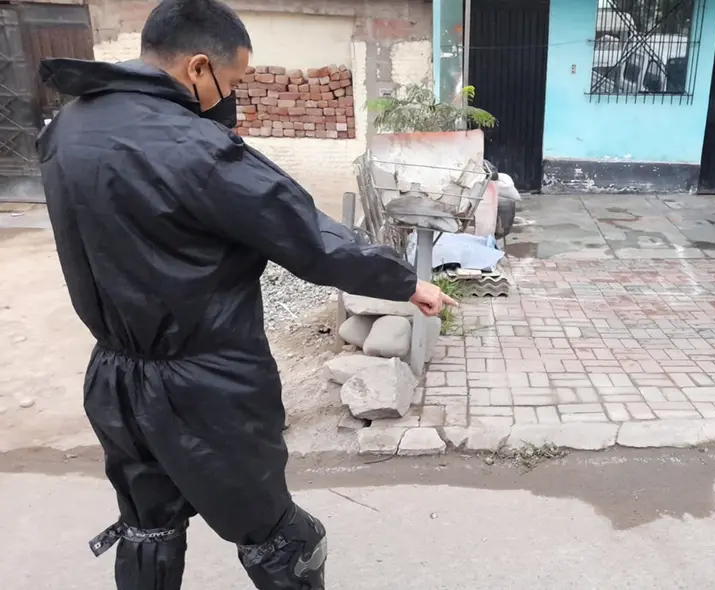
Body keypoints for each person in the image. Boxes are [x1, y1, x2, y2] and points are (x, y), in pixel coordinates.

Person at [36, 0, 454, 588]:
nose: (230, 97)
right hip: (209, 387)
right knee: (284, 539)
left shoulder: (69, 129)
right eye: (231, 82)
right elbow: (305, 234)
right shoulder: (196, 149)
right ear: (198, 67)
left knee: (148, 527)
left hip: (116, 378)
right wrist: (406, 281)